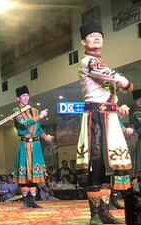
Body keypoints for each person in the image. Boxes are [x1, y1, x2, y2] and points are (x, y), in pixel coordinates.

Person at [77, 20, 134, 225]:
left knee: (108, 166)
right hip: (96, 118)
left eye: (99, 35)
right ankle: (94, 214)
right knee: (96, 164)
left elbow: (108, 92)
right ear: (83, 41)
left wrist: (118, 108)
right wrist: (126, 83)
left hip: (109, 118)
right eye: (91, 36)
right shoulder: (87, 61)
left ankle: (105, 211)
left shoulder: (101, 62)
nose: (97, 38)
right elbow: (108, 75)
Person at [12, 85, 53, 208]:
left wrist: (46, 137)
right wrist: (39, 116)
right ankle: (26, 201)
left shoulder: (34, 111)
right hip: (25, 144)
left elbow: (38, 128)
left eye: (27, 95)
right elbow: (24, 124)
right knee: (24, 173)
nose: (26, 97)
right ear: (18, 98)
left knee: (35, 171)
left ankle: (33, 200)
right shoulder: (16, 112)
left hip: (35, 145)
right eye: (23, 96)